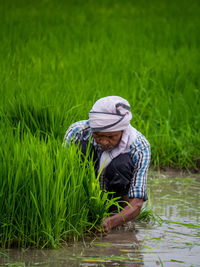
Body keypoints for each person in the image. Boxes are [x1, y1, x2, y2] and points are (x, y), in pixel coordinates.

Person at [63, 96, 151, 235]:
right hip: (82, 197)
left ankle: (121, 221)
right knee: (81, 149)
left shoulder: (139, 147)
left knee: (122, 164)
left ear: (122, 130)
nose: (104, 142)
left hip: (115, 206)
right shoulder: (78, 132)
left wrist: (110, 222)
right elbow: (62, 176)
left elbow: (137, 202)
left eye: (111, 137)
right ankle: (79, 212)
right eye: (98, 136)